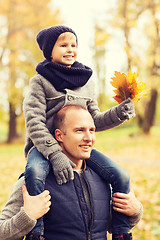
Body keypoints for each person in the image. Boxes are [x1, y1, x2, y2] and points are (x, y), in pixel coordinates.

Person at [23, 25, 136, 239]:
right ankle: (36, 232)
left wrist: (119, 112)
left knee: (121, 175)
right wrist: (55, 155)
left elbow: (94, 120)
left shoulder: (86, 81)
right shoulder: (39, 82)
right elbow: (34, 123)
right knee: (34, 173)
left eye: (74, 45)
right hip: (45, 148)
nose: (70, 49)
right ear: (50, 51)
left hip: (76, 147)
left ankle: (121, 232)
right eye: (63, 45)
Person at [0, 106, 142, 240]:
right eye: (79, 130)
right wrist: (27, 216)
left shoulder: (103, 178)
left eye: (91, 130)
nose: (89, 138)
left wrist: (135, 211)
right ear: (59, 135)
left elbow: (108, 226)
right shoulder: (35, 181)